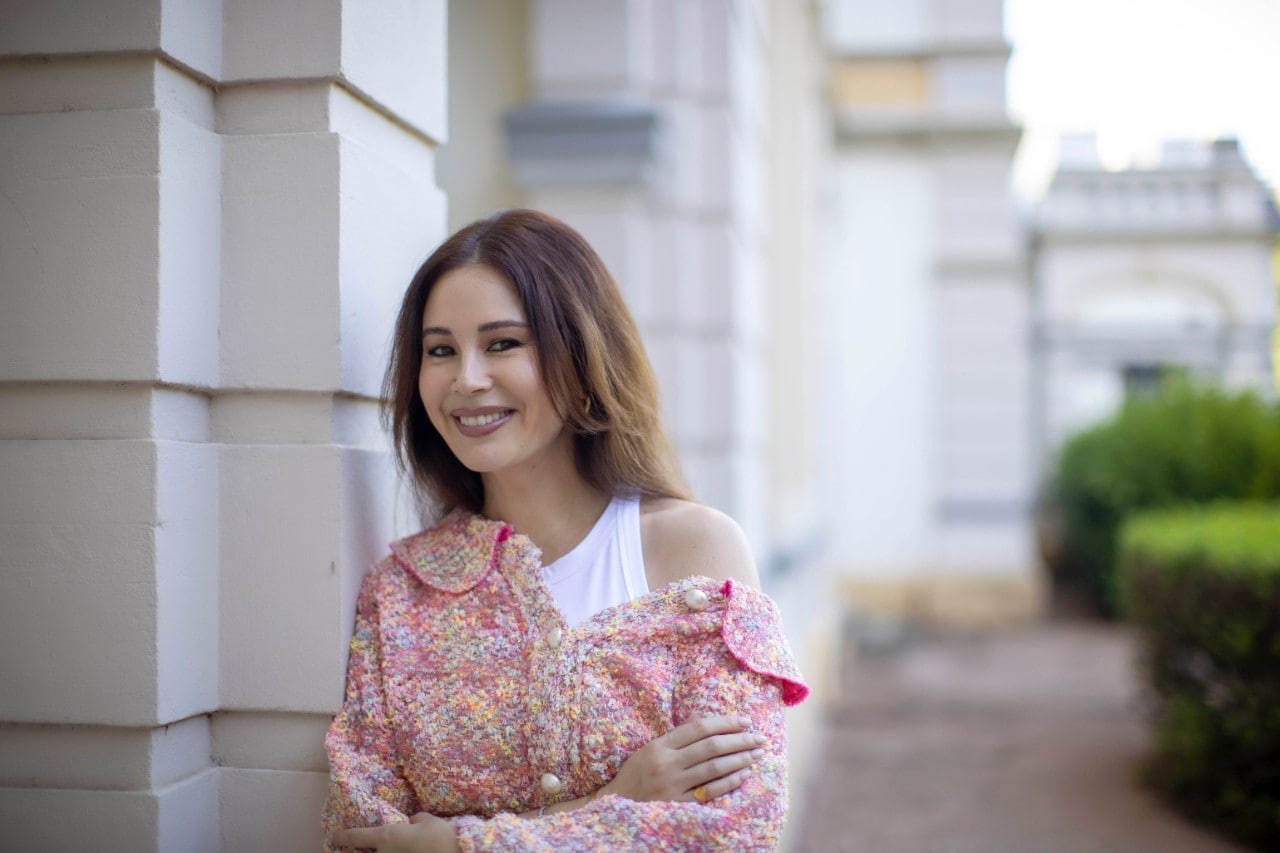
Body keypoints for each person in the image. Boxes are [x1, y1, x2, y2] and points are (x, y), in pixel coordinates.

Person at [323, 209, 809, 852]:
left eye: (503, 344)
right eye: (440, 350)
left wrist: (456, 844)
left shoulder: (694, 553)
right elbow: (365, 840)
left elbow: (735, 834)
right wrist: (611, 804)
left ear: (579, 356)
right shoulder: (401, 593)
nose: (466, 379)